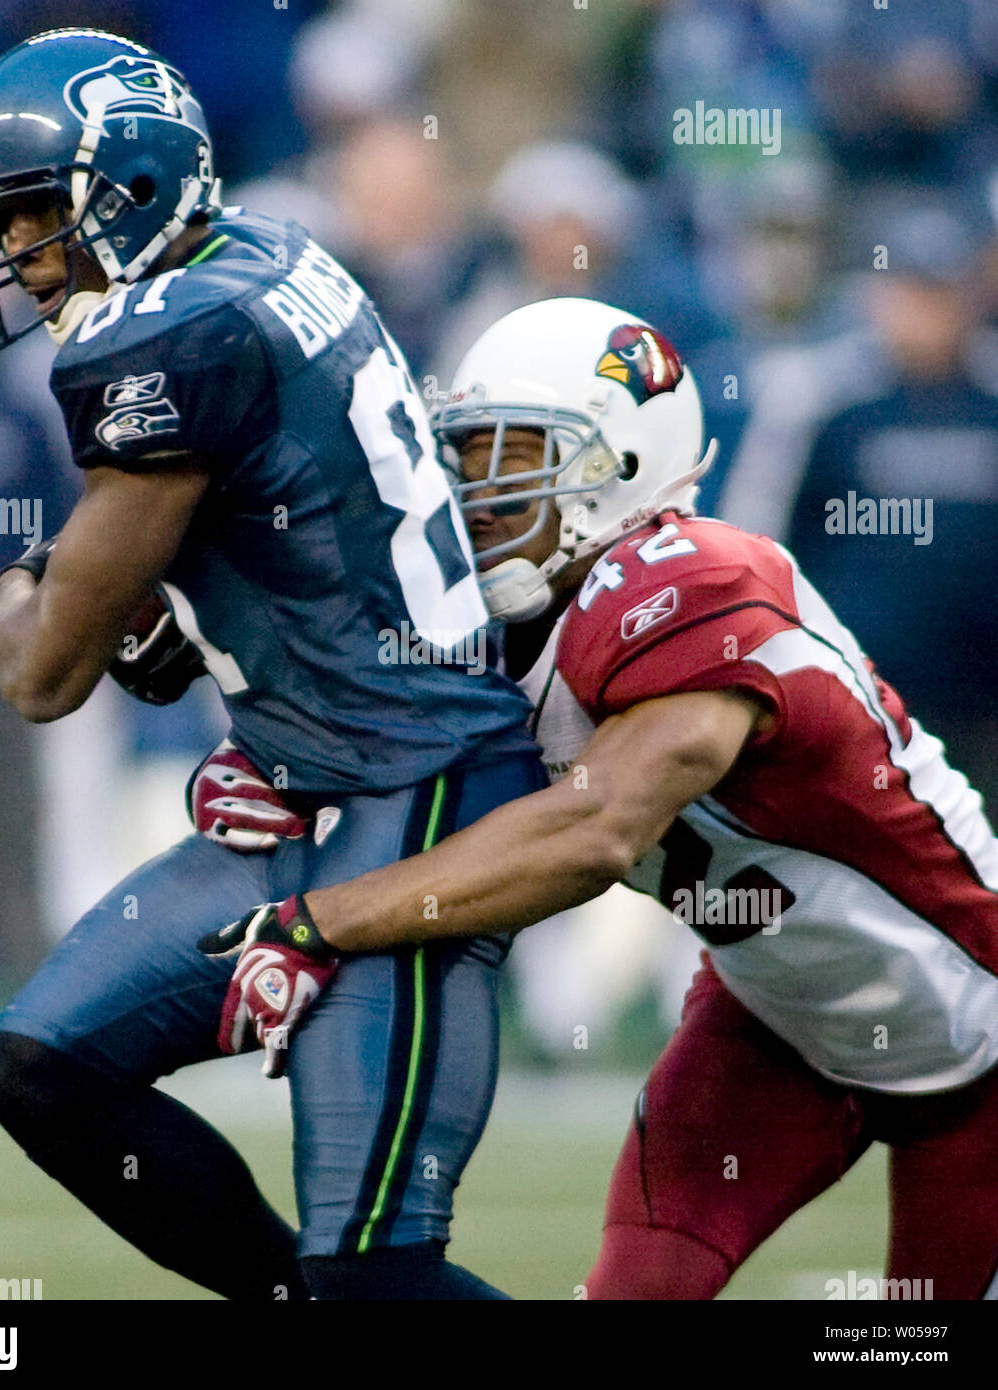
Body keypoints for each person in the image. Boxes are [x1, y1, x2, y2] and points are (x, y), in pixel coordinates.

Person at [216, 297, 998, 1301]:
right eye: (464, 454)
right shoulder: (507, 618)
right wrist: (267, 748)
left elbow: (596, 828)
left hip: (975, 1041)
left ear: (619, 464)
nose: (476, 489)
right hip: (772, 1023)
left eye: (511, 453)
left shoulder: (696, 579)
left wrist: (320, 925)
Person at [0, 28, 543, 1301]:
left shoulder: (170, 338)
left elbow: (43, 674)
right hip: (311, 776)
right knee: (42, 1064)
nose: (15, 254)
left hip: (417, 790)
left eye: (35, 215)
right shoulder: (266, 253)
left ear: (132, 190)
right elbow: (271, 533)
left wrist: (25, 582)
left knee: (373, 1273)